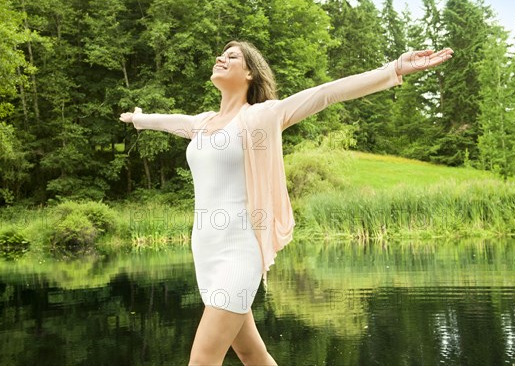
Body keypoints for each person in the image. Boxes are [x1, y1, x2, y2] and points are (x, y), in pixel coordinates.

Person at [120, 40, 453, 365]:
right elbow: (169, 120)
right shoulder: (202, 124)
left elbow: (326, 93)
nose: (220, 59)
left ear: (250, 73)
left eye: (231, 56)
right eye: (220, 55)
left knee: (203, 359)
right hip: (205, 255)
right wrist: (139, 119)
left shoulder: (263, 116)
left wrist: (394, 68)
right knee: (253, 355)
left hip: (239, 253)